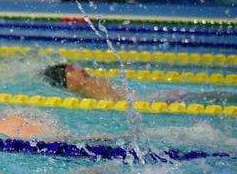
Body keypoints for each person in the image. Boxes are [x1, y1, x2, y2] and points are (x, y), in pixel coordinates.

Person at [42, 63, 237, 104]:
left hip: (150, 100)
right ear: (67, 82)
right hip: (150, 103)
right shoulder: (85, 87)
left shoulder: (88, 83)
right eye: (70, 69)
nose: (77, 68)